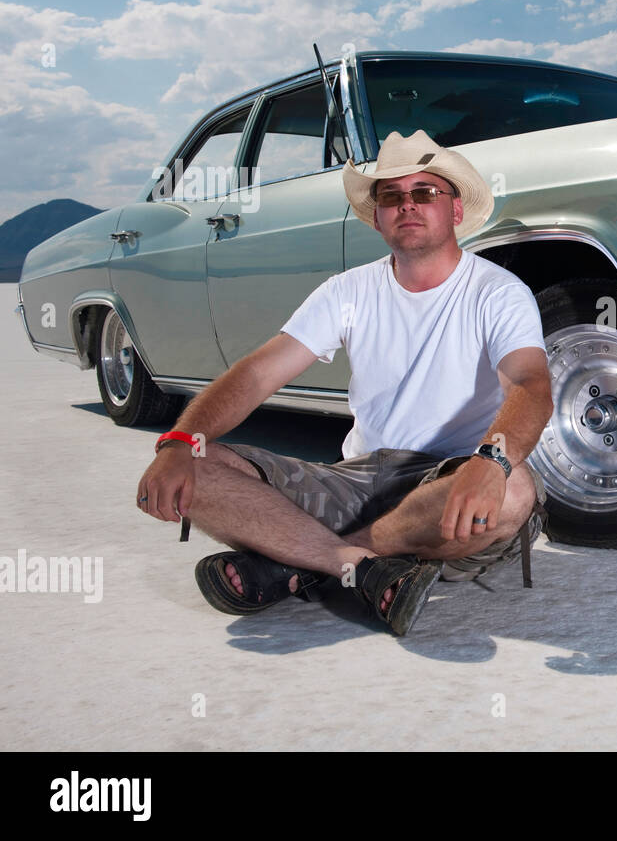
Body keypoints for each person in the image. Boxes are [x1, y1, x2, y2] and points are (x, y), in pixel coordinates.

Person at [134, 129, 554, 636]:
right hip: (355, 477)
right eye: (391, 197)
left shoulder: (497, 293)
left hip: (449, 481)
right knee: (192, 468)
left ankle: (295, 563)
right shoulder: (348, 291)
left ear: (455, 210)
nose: (408, 206)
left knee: (512, 491)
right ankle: (353, 564)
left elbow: (530, 385)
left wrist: (490, 461)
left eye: (425, 193)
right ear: (376, 217)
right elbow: (258, 373)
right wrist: (179, 440)